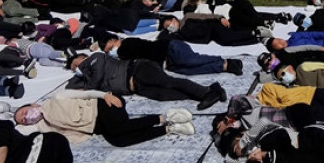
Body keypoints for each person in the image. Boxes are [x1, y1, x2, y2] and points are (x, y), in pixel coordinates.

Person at [15, 89, 196, 145]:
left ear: (32, 104)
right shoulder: (43, 127)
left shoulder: (56, 98)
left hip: (102, 105)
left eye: (24, 112)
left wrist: (105, 96)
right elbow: (18, 131)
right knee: (119, 141)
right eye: (23, 119)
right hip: (98, 126)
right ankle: (168, 129)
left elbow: (86, 94)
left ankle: (165, 117)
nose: (27, 117)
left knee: (118, 127)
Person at [67, 51, 227, 110]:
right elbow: (70, 88)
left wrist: (86, 83)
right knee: (165, 95)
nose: (77, 66)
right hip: (136, 87)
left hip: (138, 69)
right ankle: (207, 92)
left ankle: (206, 91)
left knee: (169, 82)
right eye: (74, 67)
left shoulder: (96, 58)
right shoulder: (86, 74)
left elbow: (94, 83)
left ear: (84, 57)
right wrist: (80, 77)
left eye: (78, 62)